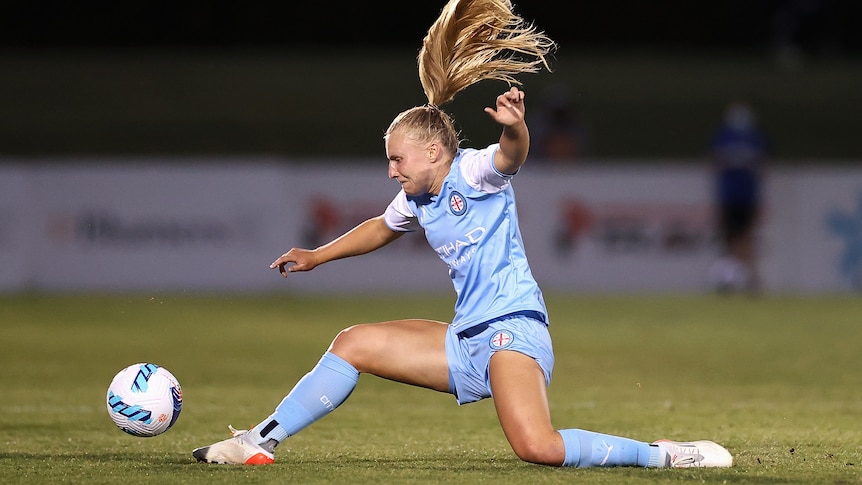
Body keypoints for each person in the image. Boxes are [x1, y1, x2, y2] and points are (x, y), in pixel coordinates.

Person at [192, 0, 733, 469]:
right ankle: (258, 442)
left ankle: (666, 454)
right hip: (467, 337)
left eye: (395, 159)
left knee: (538, 448)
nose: (391, 171)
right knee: (352, 342)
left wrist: (515, 126)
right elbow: (382, 227)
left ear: (432, 151)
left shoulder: (471, 172)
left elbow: (511, 156)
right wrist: (316, 256)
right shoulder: (416, 197)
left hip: (512, 329)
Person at [707, 101, 769, 294]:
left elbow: (762, 165)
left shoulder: (755, 138)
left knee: (746, 238)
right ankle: (730, 279)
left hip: (746, 195)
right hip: (729, 195)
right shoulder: (724, 137)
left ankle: (751, 279)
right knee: (729, 239)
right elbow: (714, 162)